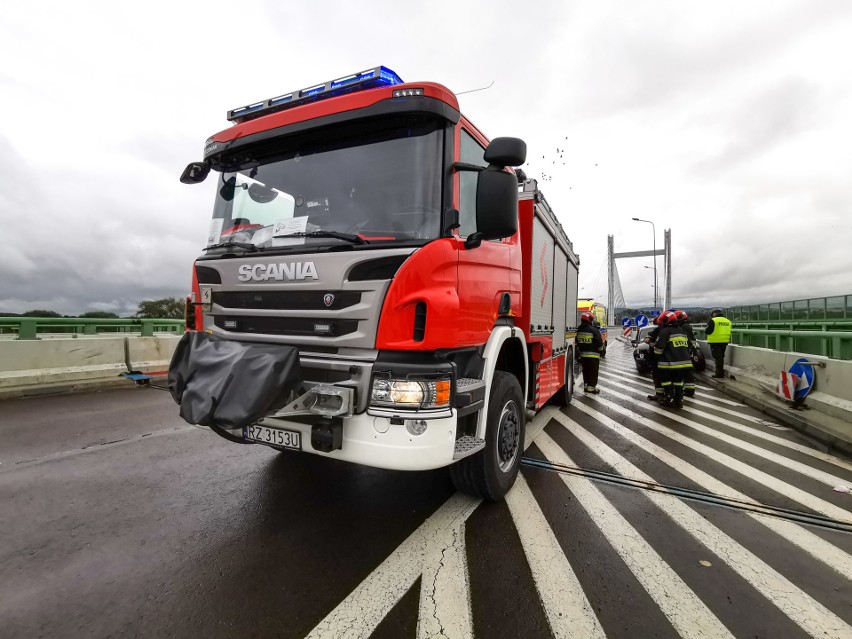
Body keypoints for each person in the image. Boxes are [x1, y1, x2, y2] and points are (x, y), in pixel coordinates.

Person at [654, 311, 693, 408]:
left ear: (665, 321)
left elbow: (658, 349)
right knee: (679, 382)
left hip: (669, 364)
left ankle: (669, 398)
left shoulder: (665, 332)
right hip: (685, 364)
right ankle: (679, 401)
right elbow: (690, 346)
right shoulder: (682, 331)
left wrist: (656, 357)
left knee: (666, 381)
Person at [576, 311, 604, 393]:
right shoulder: (593, 330)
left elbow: (577, 342)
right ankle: (591, 388)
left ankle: (586, 385)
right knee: (593, 372)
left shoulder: (579, 330)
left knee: (586, 371)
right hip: (593, 356)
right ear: (590, 320)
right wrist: (602, 352)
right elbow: (599, 343)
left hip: (583, 356)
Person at [674, 310, 697, 397]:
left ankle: (685, 390)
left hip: (684, 351)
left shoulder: (682, 327)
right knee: (688, 371)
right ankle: (690, 390)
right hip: (689, 350)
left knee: (682, 371)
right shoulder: (687, 326)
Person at [706, 308, 732, 378]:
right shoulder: (728, 321)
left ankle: (719, 373)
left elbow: (708, 331)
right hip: (724, 341)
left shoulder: (713, 320)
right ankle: (720, 372)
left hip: (715, 342)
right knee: (721, 357)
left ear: (714, 313)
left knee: (717, 358)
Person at [645, 315, 664, 402]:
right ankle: (664, 395)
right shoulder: (675, 330)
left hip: (659, 359)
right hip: (667, 359)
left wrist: (651, 343)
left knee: (659, 376)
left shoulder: (663, 331)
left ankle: (662, 395)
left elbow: (657, 345)